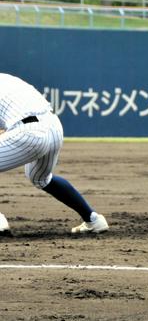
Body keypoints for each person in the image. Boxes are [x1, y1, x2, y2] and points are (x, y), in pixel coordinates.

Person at [0, 73, 108, 236]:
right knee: (41, 178)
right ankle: (94, 220)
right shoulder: (7, 79)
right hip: (53, 127)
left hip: (28, 133)